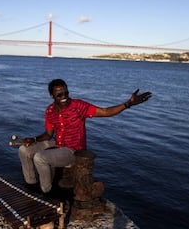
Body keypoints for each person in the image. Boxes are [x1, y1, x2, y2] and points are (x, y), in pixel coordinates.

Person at [18, 79, 152, 194]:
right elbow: (48, 134)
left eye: (66, 92)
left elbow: (105, 112)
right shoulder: (50, 111)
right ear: (51, 95)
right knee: (24, 150)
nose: (64, 96)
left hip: (73, 150)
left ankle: (47, 191)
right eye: (59, 94)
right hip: (58, 143)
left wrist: (128, 104)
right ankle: (31, 185)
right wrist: (34, 139)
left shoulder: (78, 106)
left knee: (40, 158)